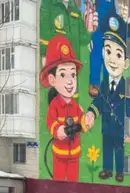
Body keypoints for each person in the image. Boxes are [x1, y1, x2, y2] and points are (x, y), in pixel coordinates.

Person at [87, 12, 130, 181]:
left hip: (120, 128)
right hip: (107, 125)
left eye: (118, 55)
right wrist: (92, 112)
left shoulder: (127, 86)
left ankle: (120, 171)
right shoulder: (104, 83)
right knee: (107, 147)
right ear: (103, 53)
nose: (113, 60)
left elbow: (129, 108)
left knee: (119, 149)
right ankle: (107, 169)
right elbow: (99, 100)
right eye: (108, 52)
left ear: (126, 63)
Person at [41, 36, 96, 182]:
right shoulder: (54, 105)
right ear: (52, 80)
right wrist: (60, 131)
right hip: (59, 154)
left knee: (73, 183)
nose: (70, 81)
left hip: (75, 155)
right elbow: (51, 123)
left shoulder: (76, 106)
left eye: (73, 74)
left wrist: (87, 121)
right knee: (59, 183)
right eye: (63, 74)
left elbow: (82, 123)